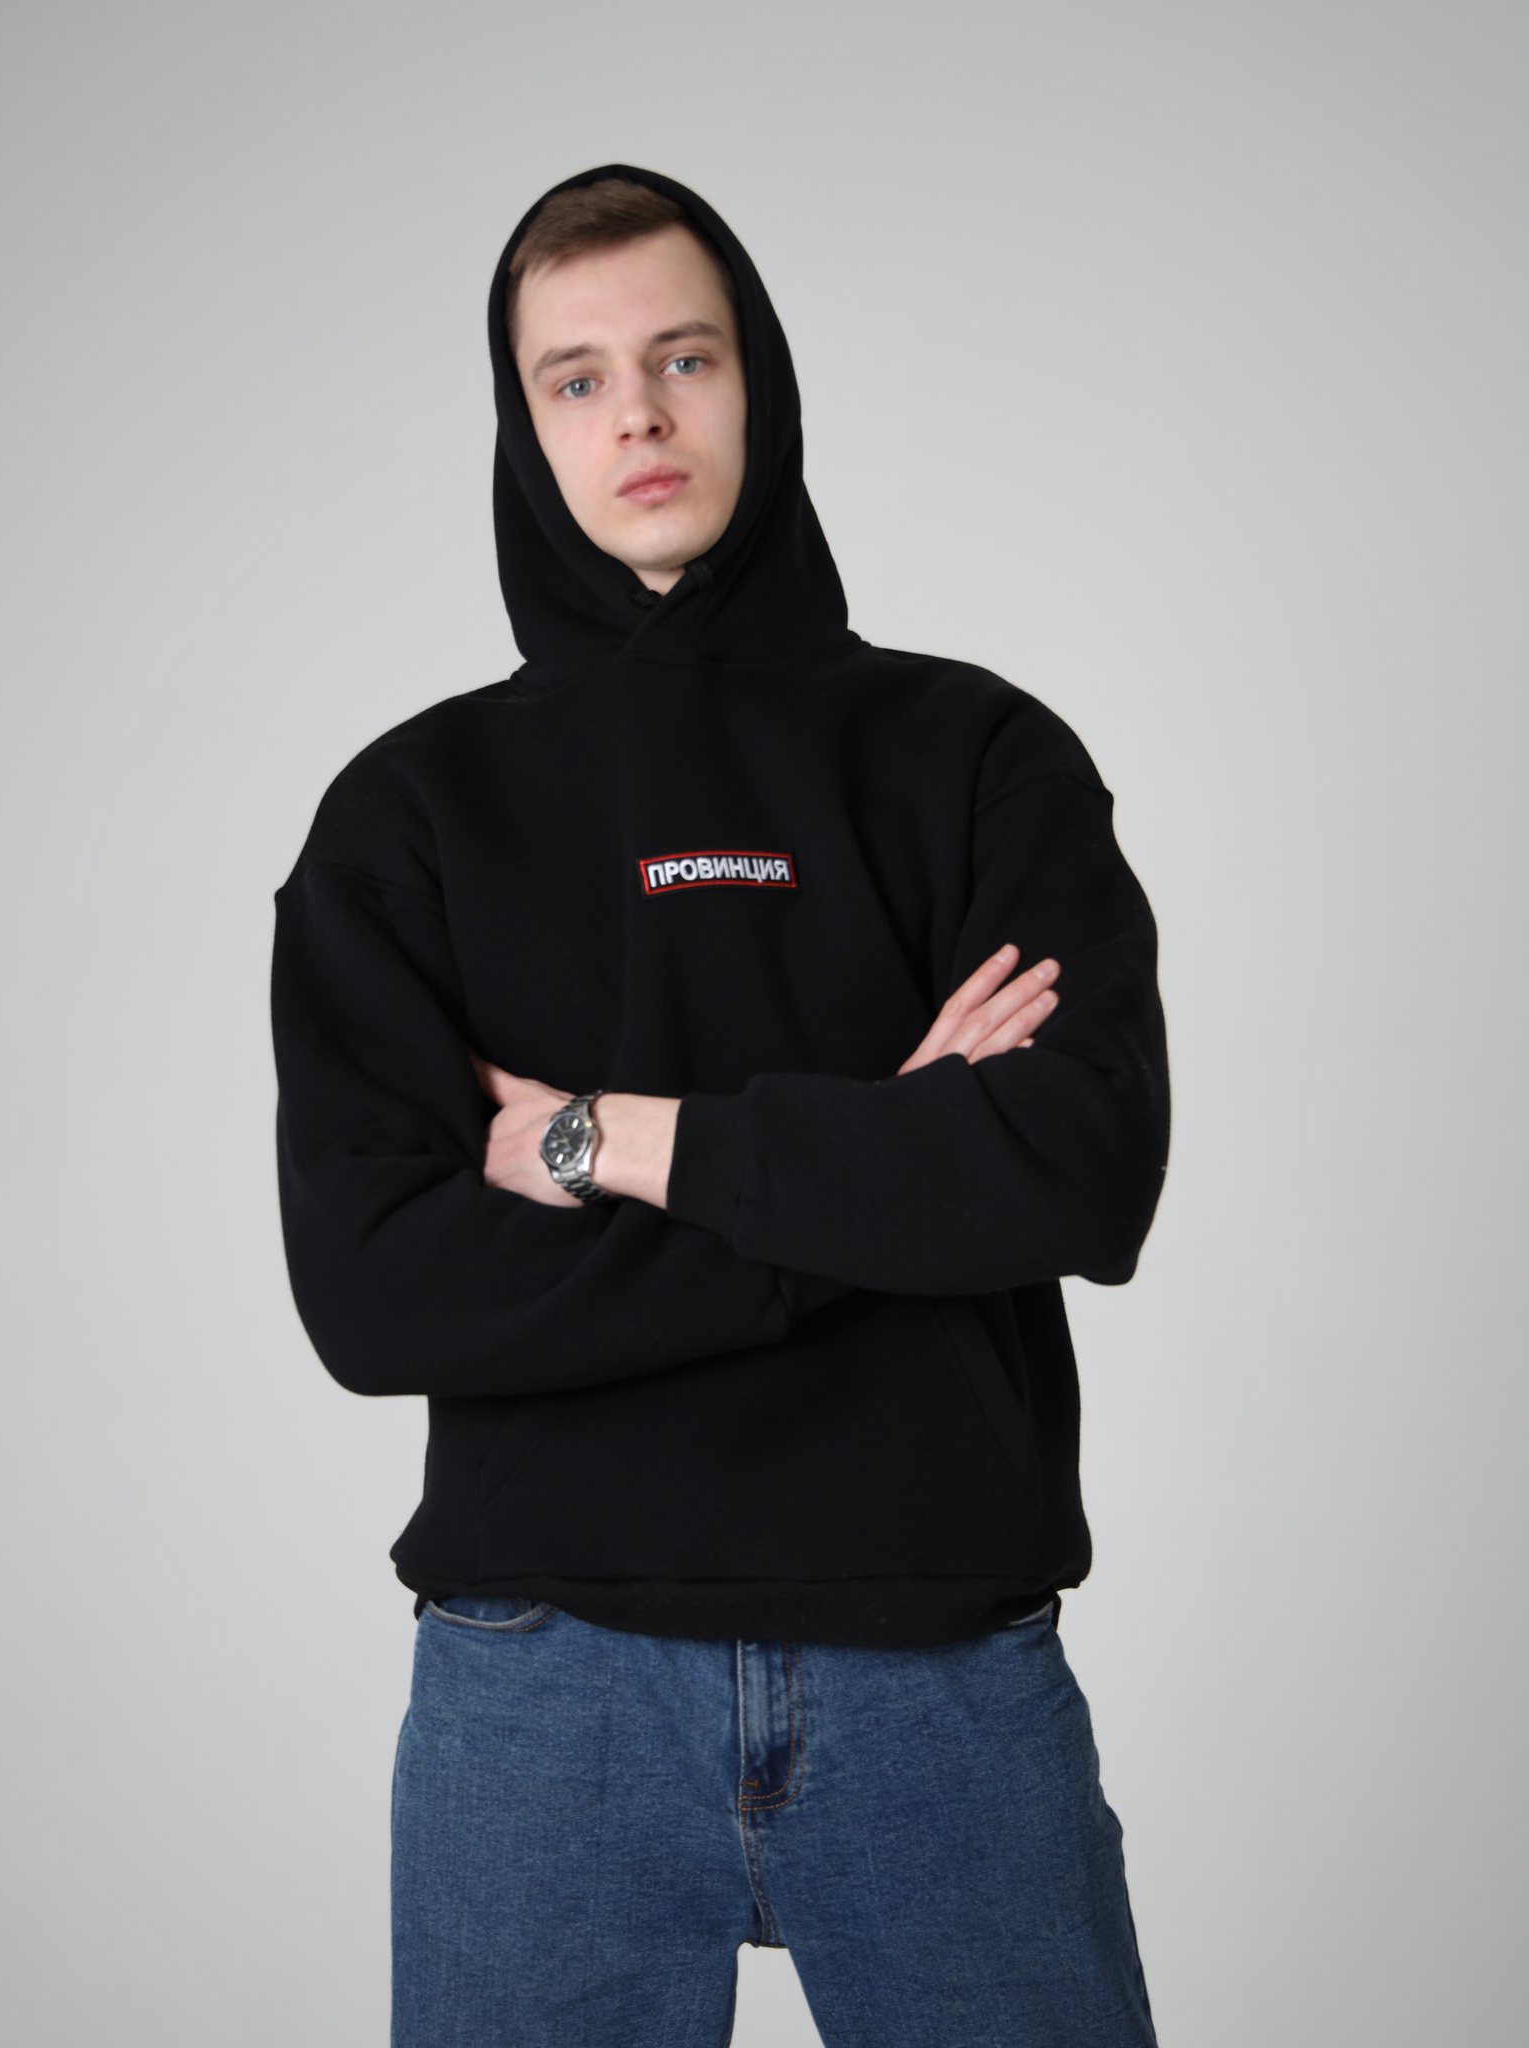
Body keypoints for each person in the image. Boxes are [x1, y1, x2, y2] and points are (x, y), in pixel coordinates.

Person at [272, 166, 1170, 2048]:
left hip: (938, 1664)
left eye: (682, 358)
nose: (640, 417)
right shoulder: (408, 814)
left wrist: (603, 1139)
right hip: (545, 1689)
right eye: (577, 379)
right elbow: (377, 1294)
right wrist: (883, 1169)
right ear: (524, 426)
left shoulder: (976, 755)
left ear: (756, 377)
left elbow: (1081, 1171)